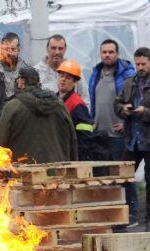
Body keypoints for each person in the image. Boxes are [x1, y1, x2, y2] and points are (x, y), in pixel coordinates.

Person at [0, 68, 78, 164]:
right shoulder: (59, 105)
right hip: (57, 171)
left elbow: (0, 142)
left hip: (23, 173)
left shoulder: (12, 106)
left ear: (21, 82)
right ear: (38, 83)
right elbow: (72, 140)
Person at [115, 47, 150, 228]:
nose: (140, 67)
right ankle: (127, 217)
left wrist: (145, 112)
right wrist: (124, 109)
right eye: (137, 64)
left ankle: (148, 223)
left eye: (144, 64)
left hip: (148, 139)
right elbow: (117, 103)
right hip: (132, 141)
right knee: (123, 179)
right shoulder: (130, 83)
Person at [90, 39, 137, 163]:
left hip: (118, 135)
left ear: (117, 54)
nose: (107, 55)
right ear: (100, 54)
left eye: (111, 52)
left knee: (119, 174)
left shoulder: (128, 75)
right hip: (99, 133)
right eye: (104, 52)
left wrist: (125, 124)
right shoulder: (95, 73)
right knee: (101, 174)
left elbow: (137, 101)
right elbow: (93, 100)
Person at [56, 60, 107, 162]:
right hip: (59, 151)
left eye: (68, 78)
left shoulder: (77, 105)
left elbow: (85, 136)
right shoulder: (54, 99)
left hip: (70, 155)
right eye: (61, 76)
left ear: (75, 82)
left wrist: (78, 159)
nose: (63, 80)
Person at [0, 33, 32, 117]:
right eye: (6, 49)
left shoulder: (27, 72)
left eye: (13, 49)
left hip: (20, 118)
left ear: (18, 50)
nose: (9, 53)